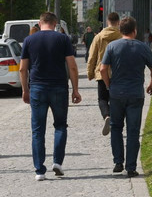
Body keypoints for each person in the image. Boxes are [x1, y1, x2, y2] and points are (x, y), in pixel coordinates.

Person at [19, 12, 81, 181]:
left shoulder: (29, 40)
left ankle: (39, 171)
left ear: (40, 23)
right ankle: (58, 162)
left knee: (38, 130)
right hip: (59, 88)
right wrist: (75, 89)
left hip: (37, 88)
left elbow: (23, 69)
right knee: (60, 125)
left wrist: (25, 90)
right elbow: (73, 67)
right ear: (55, 24)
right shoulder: (62, 39)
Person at [100, 16, 152, 177]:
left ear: (120, 31)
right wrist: (151, 84)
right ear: (135, 31)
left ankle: (118, 162)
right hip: (135, 94)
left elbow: (103, 69)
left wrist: (108, 84)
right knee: (133, 131)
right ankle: (131, 167)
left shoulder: (112, 47)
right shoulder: (142, 47)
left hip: (116, 93)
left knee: (116, 127)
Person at [87, 12, 122, 136]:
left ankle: (106, 115)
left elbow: (92, 56)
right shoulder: (121, 36)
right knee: (116, 100)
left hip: (102, 73)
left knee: (102, 99)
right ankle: (116, 123)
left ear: (107, 22)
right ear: (118, 22)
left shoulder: (99, 37)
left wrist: (90, 73)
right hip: (118, 74)